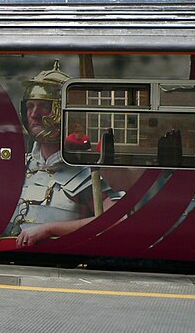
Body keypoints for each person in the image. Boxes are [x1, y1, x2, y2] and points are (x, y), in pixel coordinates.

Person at [8, 60, 119, 247]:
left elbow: (115, 220)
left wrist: (50, 229)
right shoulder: (20, 165)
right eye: (30, 106)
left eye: (44, 106)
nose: (34, 114)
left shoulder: (82, 170)